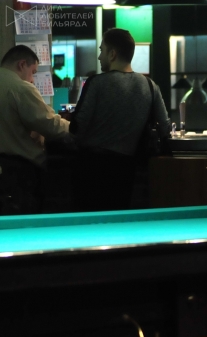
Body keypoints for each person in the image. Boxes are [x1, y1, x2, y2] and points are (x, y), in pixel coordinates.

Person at [69, 28, 170, 212]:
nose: (99, 57)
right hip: (127, 169)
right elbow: (165, 128)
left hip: (91, 168)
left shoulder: (96, 83)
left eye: (102, 50)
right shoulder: (150, 85)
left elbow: (78, 127)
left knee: (89, 221)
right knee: (118, 218)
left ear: (112, 54)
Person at [0, 45, 70, 215]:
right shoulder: (20, 88)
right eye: (33, 72)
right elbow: (50, 125)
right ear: (21, 64)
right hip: (18, 172)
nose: (32, 80)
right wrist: (75, 126)